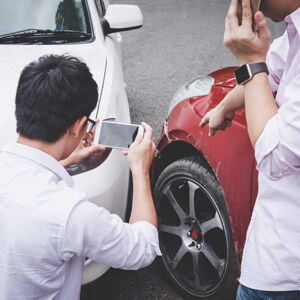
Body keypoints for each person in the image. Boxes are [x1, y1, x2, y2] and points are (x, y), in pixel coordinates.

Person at [0, 54, 161, 300]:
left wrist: (65, 161)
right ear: (78, 126)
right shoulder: (70, 213)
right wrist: (140, 169)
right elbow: (141, 249)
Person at [200, 0, 300, 299]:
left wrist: (250, 59)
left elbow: (276, 157)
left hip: (286, 269)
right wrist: (224, 106)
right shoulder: (294, 32)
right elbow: (271, 73)